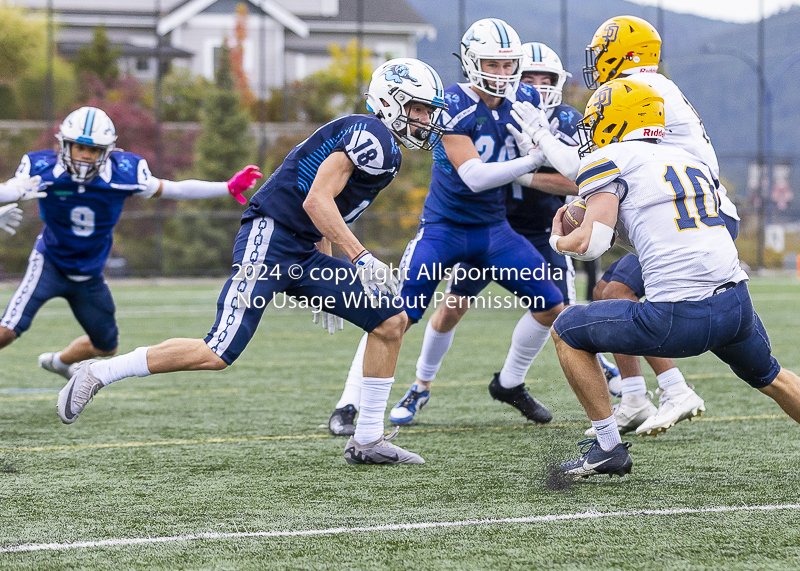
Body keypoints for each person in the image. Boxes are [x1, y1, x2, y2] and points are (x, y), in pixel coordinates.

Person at [57, 59, 448, 466]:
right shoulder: (371, 135)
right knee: (217, 351)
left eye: (426, 111)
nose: (424, 119)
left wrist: (336, 270)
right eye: (417, 108)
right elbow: (316, 200)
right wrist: (361, 257)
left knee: (390, 321)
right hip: (272, 236)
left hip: (302, 246)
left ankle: (366, 440)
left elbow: (327, 211)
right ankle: (99, 372)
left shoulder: (384, 148)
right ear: (389, 102)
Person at [520, 77, 800, 478]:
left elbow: (591, 244)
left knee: (566, 328)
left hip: (679, 317)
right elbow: (664, 231)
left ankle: (608, 448)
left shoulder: (611, 158)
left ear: (615, 122)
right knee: (772, 377)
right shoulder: (689, 159)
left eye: (597, 120)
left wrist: (559, 236)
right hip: (736, 306)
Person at [327, 21, 566, 437]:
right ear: (472, 61)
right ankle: (349, 403)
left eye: (509, 64)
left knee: (551, 303)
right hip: (445, 228)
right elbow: (473, 176)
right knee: (395, 317)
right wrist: (532, 161)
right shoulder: (452, 102)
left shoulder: (526, 96)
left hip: (494, 229)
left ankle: (509, 382)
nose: (502, 72)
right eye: (492, 62)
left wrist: (547, 142)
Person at [521, 15, 740, 438]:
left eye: (602, 52)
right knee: (608, 290)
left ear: (624, 53)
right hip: (687, 210)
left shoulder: (640, 92)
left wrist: (541, 142)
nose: (597, 61)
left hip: (696, 217)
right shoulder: (647, 90)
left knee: (617, 293)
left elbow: (585, 169)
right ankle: (637, 397)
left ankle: (675, 390)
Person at [0, 107, 262, 381]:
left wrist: (226, 187)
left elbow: (174, 188)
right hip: (49, 263)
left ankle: (58, 361)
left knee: (106, 346)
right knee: (8, 330)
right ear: (64, 145)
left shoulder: (123, 174)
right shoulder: (42, 169)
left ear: (108, 151)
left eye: (95, 150)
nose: (86, 156)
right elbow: (9, 189)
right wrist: (13, 192)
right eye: (79, 147)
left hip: (89, 274)